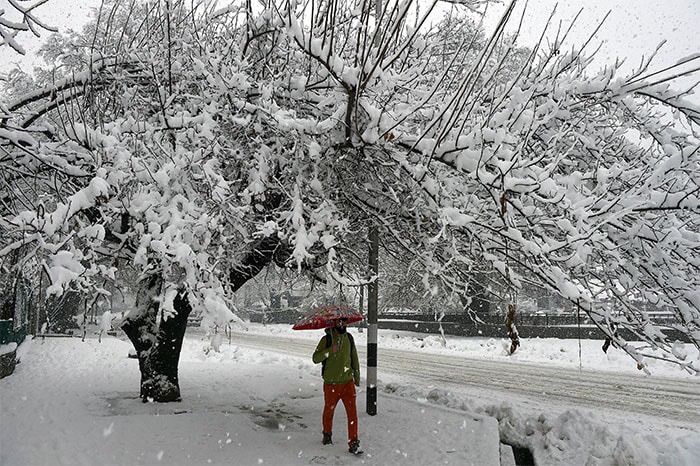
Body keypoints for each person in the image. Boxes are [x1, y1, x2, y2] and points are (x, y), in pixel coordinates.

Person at [312, 318, 362, 454]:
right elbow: (315, 358)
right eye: (340, 322)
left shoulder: (349, 338)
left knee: (352, 414)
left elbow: (354, 358)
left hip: (347, 383)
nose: (343, 324)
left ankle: (353, 442)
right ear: (334, 323)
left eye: (344, 322)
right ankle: (327, 434)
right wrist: (329, 350)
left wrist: (356, 377)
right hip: (331, 384)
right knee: (329, 411)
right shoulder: (327, 339)